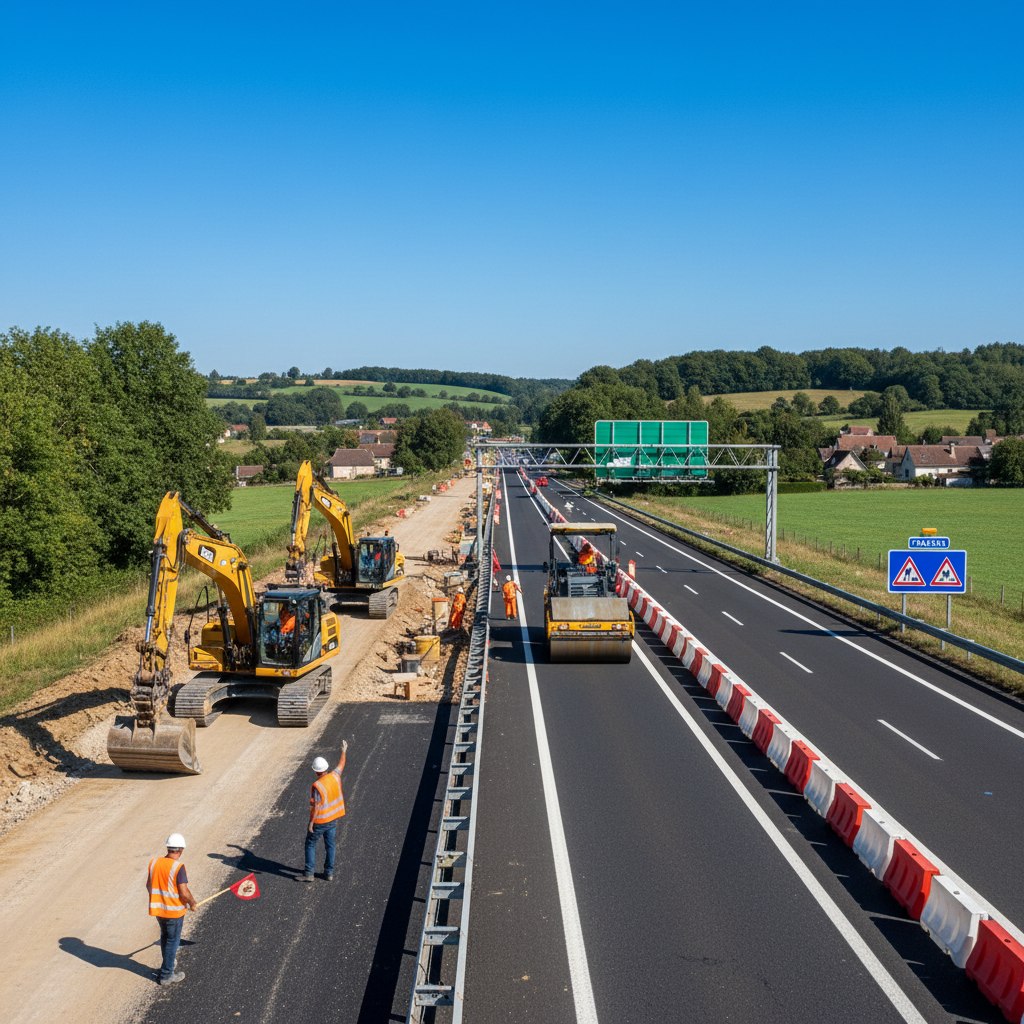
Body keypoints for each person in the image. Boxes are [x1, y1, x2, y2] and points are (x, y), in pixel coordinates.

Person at [147, 833, 197, 986]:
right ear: (180, 850)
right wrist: (192, 903)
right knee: (172, 941)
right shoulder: (178, 867)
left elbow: (149, 886)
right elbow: (183, 891)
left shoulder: (154, 863)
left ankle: (168, 965)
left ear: (168, 848)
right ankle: (167, 974)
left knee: (165, 937)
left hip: (158, 910)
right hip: (173, 912)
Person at [304, 741, 347, 882]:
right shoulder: (335, 776)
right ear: (327, 768)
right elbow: (341, 764)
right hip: (333, 819)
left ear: (316, 771)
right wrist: (343, 751)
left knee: (310, 843)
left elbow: (316, 806)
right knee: (330, 845)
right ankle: (329, 873)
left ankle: (309, 874)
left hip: (320, 821)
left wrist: (311, 824)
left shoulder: (317, 786)